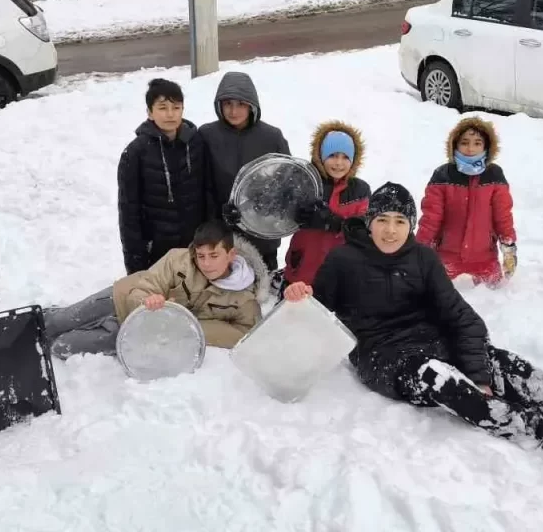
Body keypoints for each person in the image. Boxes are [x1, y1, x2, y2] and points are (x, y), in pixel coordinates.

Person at [283, 182, 543, 464]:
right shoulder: (343, 261)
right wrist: (298, 294)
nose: (389, 229)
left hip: (431, 340)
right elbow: (317, 308)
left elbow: (459, 315)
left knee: (507, 365)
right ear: (369, 223)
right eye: (381, 219)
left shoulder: (422, 259)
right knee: (441, 378)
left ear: (411, 225)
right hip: (384, 358)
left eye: (399, 221)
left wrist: (479, 369)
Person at [47, 220, 270, 358]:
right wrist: (148, 301)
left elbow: (244, 333)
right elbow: (145, 286)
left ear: (231, 255)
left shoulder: (244, 298)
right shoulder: (178, 259)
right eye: (201, 256)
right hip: (121, 300)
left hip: (141, 330)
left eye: (214, 255)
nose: (206, 263)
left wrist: (185, 325)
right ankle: (28, 327)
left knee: (62, 347)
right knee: (58, 322)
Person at [200, 71, 291, 272]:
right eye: (228, 104)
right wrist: (217, 219)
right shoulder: (207, 135)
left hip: (262, 239)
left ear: (252, 105)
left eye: (241, 104)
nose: (233, 111)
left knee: (262, 295)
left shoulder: (272, 137)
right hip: (220, 240)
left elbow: (287, 185)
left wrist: (264, 213)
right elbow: (201, 186)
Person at [118, 78, 209, 275]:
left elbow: (207, 192)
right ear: (150, 113)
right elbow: (129, 214)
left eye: (176, 107)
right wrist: (136, 267)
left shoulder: (196, 143)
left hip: (194, 248)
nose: (170, 114)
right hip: (157, 252)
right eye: (162, 108)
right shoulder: (135, 153)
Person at [416, 116, 517, 287]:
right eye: (464, 142)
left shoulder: (494, 176)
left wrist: (509, 248)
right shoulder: (442, 176)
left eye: (477, 143)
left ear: (486, 146)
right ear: (455, 144)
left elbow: (503, 216)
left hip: (484, 258)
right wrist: (418, 250)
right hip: (447, 257)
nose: (470, 148)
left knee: (495, 300)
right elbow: (431, 219)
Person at [282, 121, 370, 299]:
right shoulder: (305, 181)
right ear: (321, 155)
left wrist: (334, 223)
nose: (338, 163)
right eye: (332, 155)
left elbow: (362, 233)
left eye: (345, 157)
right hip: (301, 269)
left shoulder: (360, 190)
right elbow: (277, 214)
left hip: (338, 272)